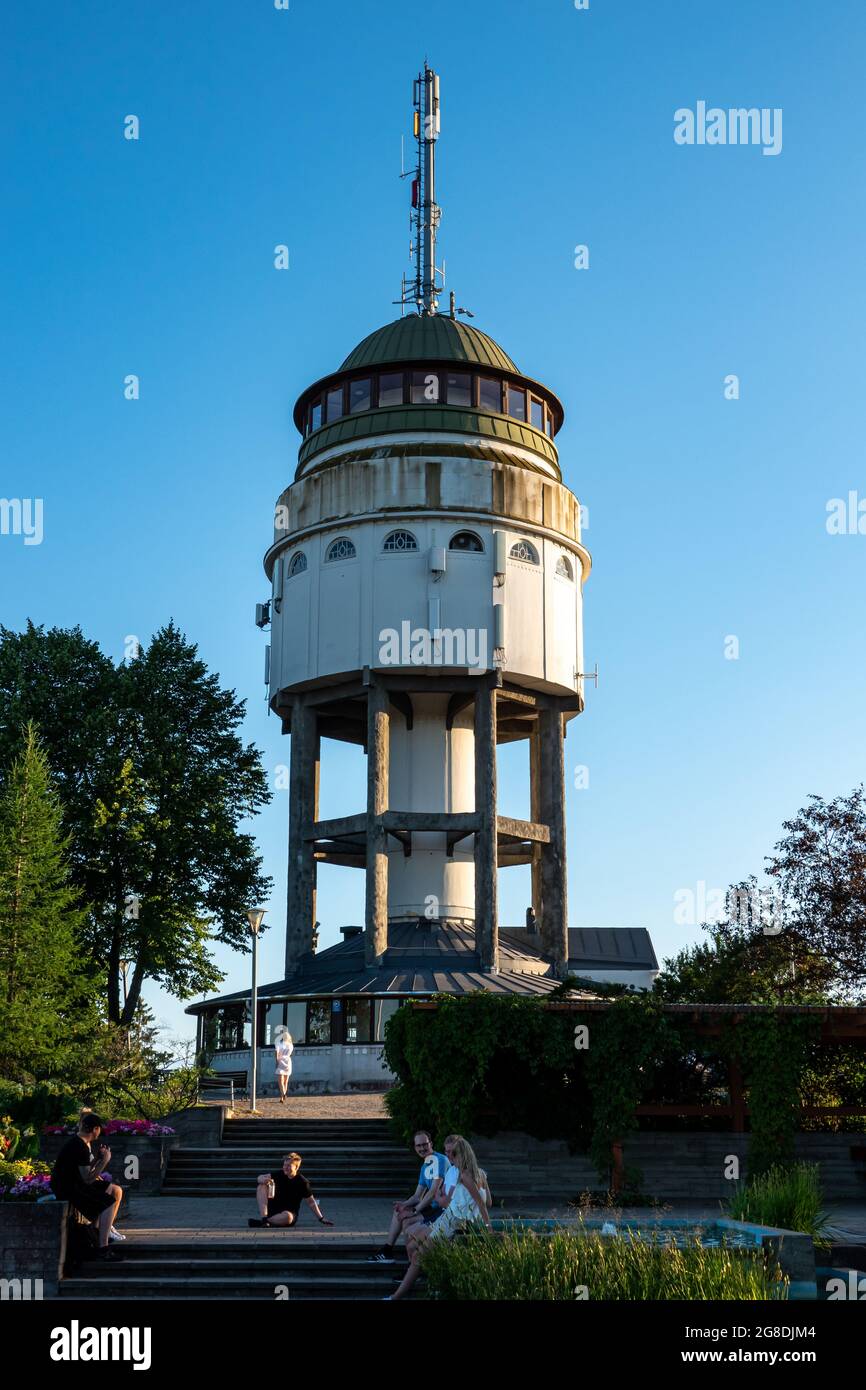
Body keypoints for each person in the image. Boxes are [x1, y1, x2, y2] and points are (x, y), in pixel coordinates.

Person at [387, 1137, 492, 1300]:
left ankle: (398, 1296)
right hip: (451, 1218)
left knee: (418, 1255)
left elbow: (482, 1204)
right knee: (416, 1250)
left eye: (453, 1154)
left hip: (453, 1221)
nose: (450, 1157)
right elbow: (488, 1202)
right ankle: (409, 1291)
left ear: (463, 1154)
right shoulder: (480, 1174)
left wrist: (488, 1228)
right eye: (448, 1153)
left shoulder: (464, 1175)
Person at [49, 1111, 125, 1261]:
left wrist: (97, 1158)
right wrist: (105, 1161)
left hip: (75, 1182)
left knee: (114, 1190)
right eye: (99, 1129)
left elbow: (83, 1169)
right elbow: (87, 1180)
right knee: (108, 1203)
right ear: (95, 1129)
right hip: (69, 1188)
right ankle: (103, 1248)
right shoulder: (80, 1146)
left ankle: (97, 1231)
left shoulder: (78, 1142)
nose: (100, 1133)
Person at [367, 1130, 448, 1263]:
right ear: (415, 1147)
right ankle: (387, 1252)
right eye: (418, 1146)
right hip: (432, 1207)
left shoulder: (440, 1160)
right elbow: (417, 1195)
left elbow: (432, 1192)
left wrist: (414, 1211)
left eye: (424, 1144)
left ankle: (411, 1265)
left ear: (431, 1144)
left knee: (408, 1220)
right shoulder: (426, 1166)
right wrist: (405, 1204)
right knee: (400, 1211)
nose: (422, 1148)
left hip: (442, 1209)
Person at [249, 1152, 334, 1228]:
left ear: (296, 1167)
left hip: (288, 1213)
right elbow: (259, 1177)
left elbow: (311, 1202)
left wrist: (321, 1218)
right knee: (261, 1186)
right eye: (284, 1165)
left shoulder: (303, 1182)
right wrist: (264, 1180)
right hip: (272, 1211)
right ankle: (264, 1219)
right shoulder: (279, 1174)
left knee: (288, 1217)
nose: (285, 1168)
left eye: (289, 1165)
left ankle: (263, 1222)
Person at [274, 1027, 294, 1103]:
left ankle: (284, 1094)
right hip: (288, 1061)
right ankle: (282, 1097)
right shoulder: (291, 1045)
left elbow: (276, 1052)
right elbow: (290, 1053)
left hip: (281, 1060)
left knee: (280, 1081)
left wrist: (277, 1061)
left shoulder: (279, 1043)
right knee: (286, 1081)